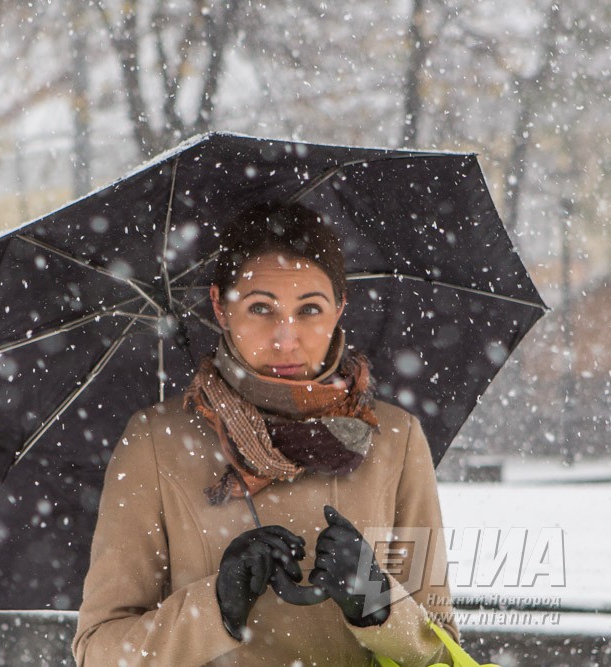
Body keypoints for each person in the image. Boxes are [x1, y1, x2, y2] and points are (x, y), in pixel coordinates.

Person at [73, 201, 459, 665]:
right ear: (220, 305)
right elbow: (98, 651)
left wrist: (381, 609)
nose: (285, 338)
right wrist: (213, 608)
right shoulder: (157, 441)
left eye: (310, 309)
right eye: (261, 308)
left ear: (340, 306)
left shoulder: (395, 439)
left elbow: (444, 653)